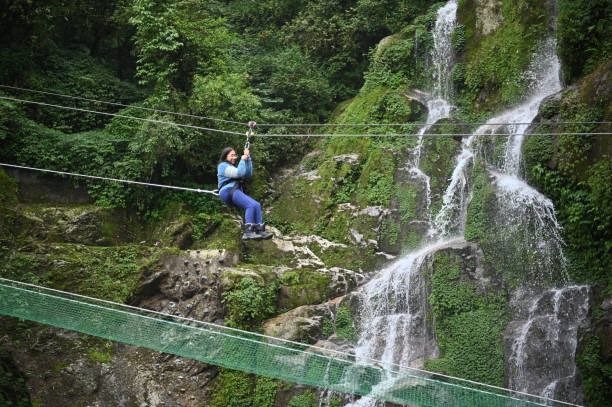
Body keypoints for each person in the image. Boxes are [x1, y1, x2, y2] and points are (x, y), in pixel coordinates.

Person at [217, 146, 273, 240]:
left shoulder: (232, 167)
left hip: (233, 190)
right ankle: (248, 232)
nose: (235, 157)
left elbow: (248, 173)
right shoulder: (222, 166)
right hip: (228, 190)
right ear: (225, 156)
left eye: (235, 155)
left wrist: (248, 158)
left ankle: (260, 230)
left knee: (256, 205)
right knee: (250, 205)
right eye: (232, 155)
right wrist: (242, 159)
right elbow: (239, 173)